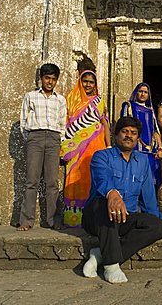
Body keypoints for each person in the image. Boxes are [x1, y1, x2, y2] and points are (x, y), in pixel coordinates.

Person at [81, 117, 162, 283]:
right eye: (125, 131)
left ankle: (100, 255)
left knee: (158, 226)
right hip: (98, 217)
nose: (129, 136)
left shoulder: (142, 161)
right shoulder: (101, 156)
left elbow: (148, 197)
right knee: (104, 203)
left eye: (133, 133)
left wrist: (159, 220)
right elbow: (102, 179)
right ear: (116, 135)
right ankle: (111, 265)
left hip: (126, 217)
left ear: (137, 138)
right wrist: (112, 193)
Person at [18, 63, 67, 231]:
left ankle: (53, 220)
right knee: (31, 180)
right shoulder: (30, 96)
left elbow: (62, 123)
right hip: (35, 137)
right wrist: (31, 138)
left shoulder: (60, 99)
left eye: (53, 79)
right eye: (47, 78)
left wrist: (58, 139)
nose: (50, 82)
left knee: (52, 182)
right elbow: (24, 121)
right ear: (41, 78)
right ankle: (26, 220)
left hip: (53, 138)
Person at [60, 70, 111, 228]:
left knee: (94, 177)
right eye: (85, 81)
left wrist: (109, 146)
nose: (88, 84)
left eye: (91, 82)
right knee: (75, 178)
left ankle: (94, 216)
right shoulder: (71, 99)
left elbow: (105, 124)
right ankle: (74, 218)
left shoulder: (99, 101)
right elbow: (65, 123)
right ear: (80, 82)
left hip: (96, 144)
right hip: (75, 147)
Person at [121, 83, 162, 189]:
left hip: (151, 151)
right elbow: (124, 127)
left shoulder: (150, 111)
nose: (143, 94)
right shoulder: (129, 106)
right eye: (140, 91)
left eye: (145, 92)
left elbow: (155, 130)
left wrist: (160, 148)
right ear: (136, 92)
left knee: (151, 182)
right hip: (134, 149)